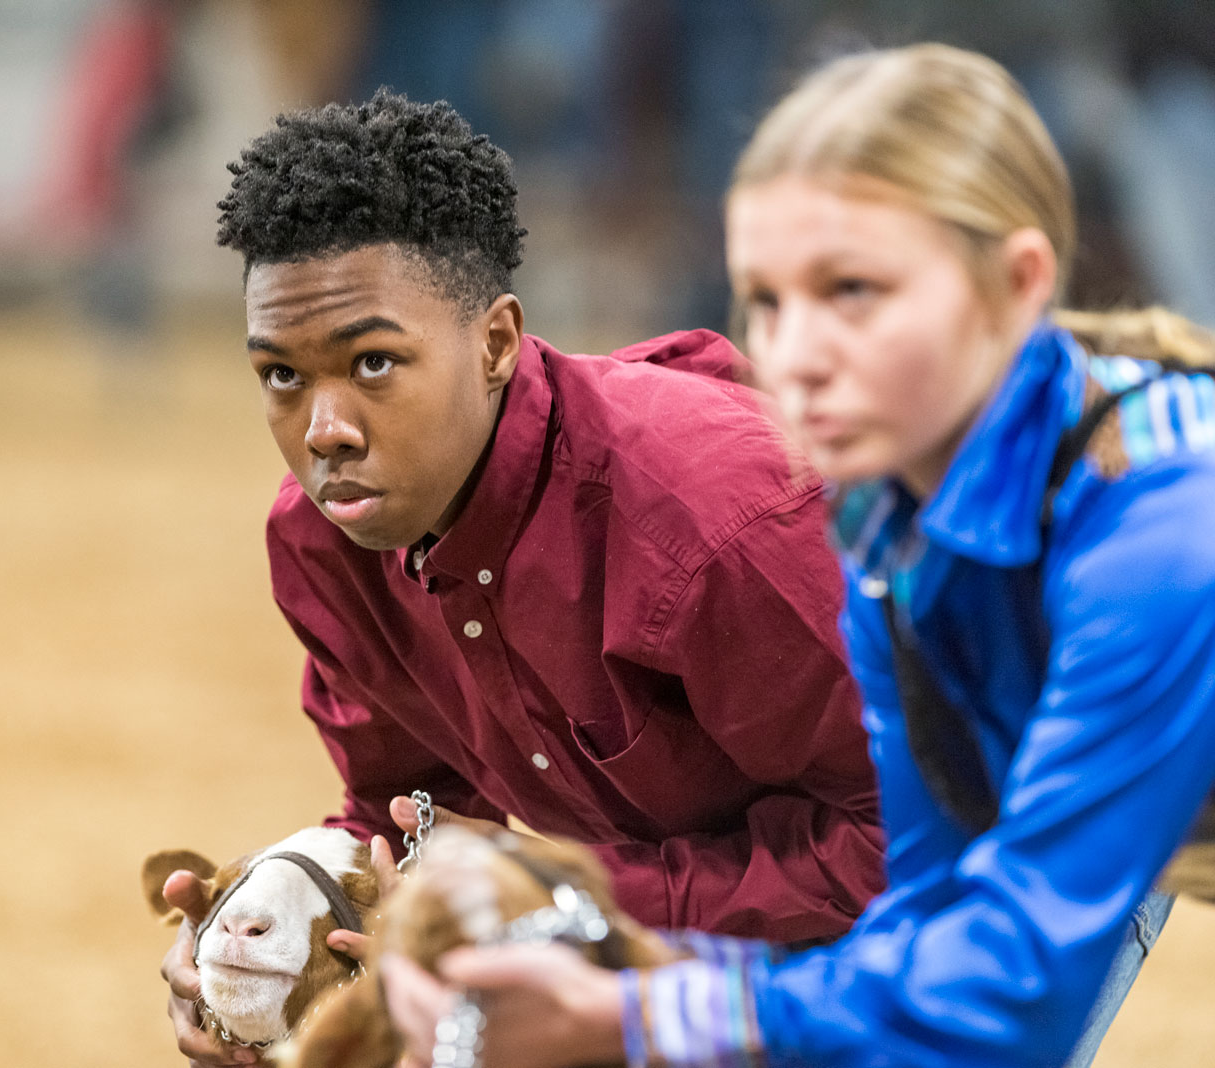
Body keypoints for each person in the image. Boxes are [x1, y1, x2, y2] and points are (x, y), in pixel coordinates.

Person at [375, 43, 1215, 1068]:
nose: (800, 354)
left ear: (1017, 283)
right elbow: (922, 919)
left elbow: (1015, 986)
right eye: (769, 300)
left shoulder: (1167, 532)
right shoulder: (887, 533)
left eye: (852, 290)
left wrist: (634, 1017)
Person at [155, 90, 888, 1066]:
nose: (323, 429)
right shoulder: (323, 546)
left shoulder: (712, 523)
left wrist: (563, 904)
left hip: (1006, 856)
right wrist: (278, 930)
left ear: (496, 342)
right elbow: (398, 821)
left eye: (372, 362)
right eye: (281, 376)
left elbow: (912, 838)